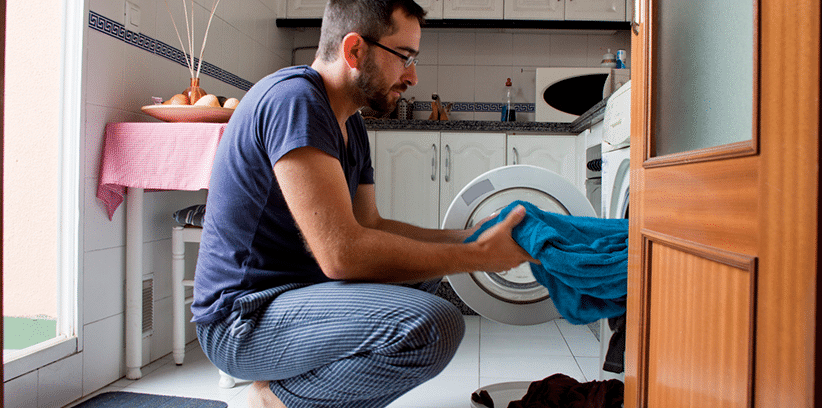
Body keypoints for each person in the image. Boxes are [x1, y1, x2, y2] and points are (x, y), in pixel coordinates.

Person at [192, 0, 537, 406]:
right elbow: (342, 255)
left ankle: (289, 391)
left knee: (422, 274)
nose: (413, 76)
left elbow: (370, 225)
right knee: (433, 324)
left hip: (295, 297)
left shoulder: (350, 123)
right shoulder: (295, 101)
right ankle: (276, 401)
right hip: (242, 319)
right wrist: (477, 255)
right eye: (405, 57)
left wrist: (473, 235)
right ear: (355, 50)